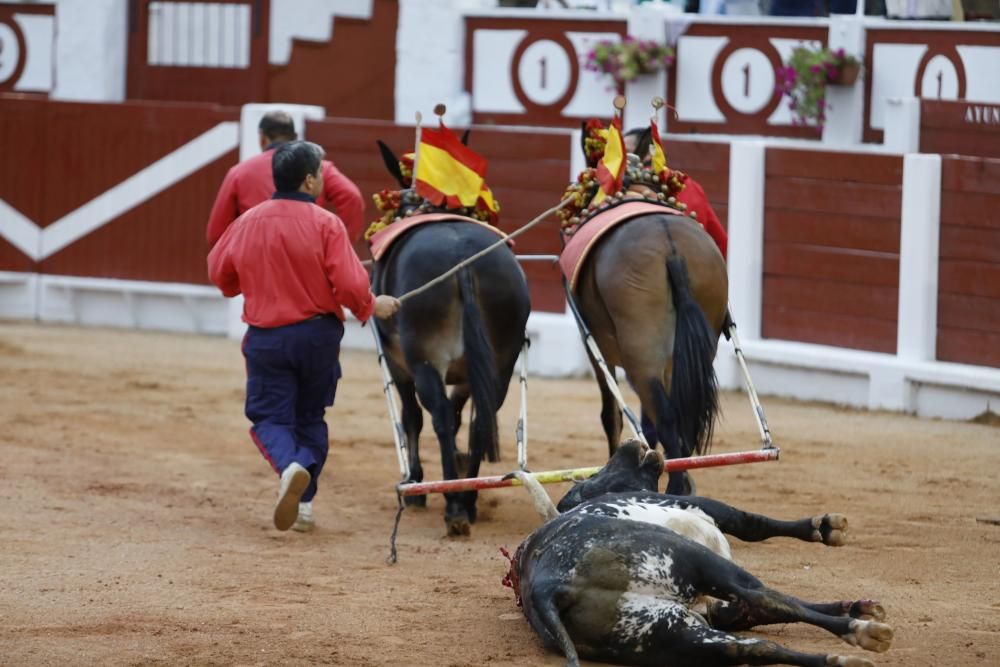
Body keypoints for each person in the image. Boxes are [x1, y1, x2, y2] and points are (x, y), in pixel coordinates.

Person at [208, 141, 400, 533]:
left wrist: (253, 282)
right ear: (310, 179)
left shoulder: (248, 221)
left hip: (267, 337)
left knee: (268, 417)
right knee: (311, 416)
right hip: (317, 335)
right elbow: (348, 283)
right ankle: (305, 503)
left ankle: (290, 466)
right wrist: (369, 306)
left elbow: (220, 275)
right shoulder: (326, 222)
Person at [206, 110, 365, 248]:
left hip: (257, 260)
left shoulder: (239, 172)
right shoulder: (319, 167)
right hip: (308, 254)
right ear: (295, 137)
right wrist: (340, 245)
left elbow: (216, 234)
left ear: (262, 138)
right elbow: (352, 197)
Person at [623, 128, 728, 258]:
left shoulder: (625, 186)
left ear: (650, 153)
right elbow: (721, 242)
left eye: (626, 152)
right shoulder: (689, 184)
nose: (621, 157)